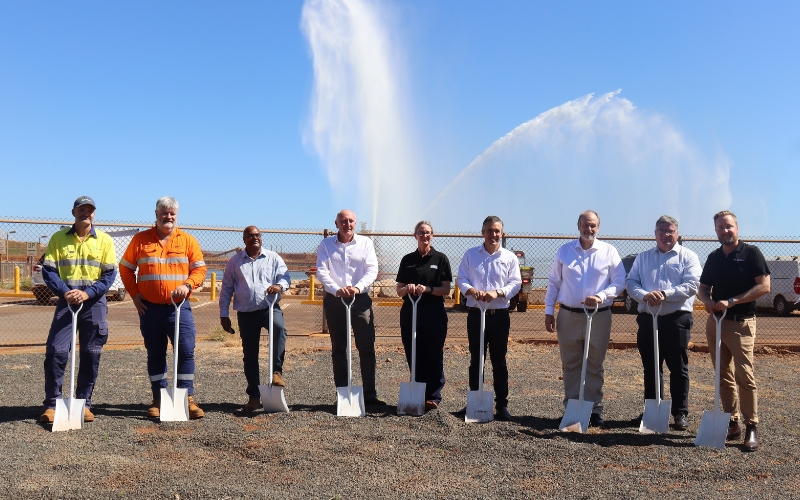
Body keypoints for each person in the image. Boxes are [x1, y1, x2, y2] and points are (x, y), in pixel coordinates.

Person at [119, 196, 207, 419]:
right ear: (156, 215)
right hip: (149, 309)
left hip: (178, 308)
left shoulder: (187, 241)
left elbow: (199, 270)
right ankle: (158, 398)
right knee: (155, 353)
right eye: (164, 213)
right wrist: (135, 295)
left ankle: (187, 398)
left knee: (185, 351)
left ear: (176, 215)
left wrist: (187, 285)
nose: (168, 217)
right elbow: (126, 268)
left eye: (172, 214)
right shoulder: (140, 240)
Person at [39, 196, 117, 424]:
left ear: (94, 213)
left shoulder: (104, 241)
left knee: (91, 354)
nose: (86, 213)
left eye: (90, 210)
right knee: (56, 351)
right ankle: (52, 404)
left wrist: (88, 293)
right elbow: (49, 271)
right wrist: (65, 292)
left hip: (93, 303)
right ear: (73, 212)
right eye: (81, 210)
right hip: (67, 302)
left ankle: (84, 404)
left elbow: (109, 275)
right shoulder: (58, 239)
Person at [544, 210, 625, 428]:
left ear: (598, 227)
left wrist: (601, 296)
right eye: (586, 225)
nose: (589, 229)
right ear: (578, 226)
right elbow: (554, 282)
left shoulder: (609, 251)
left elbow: (619, 282)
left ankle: (594, 409)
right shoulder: (565, 251)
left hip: (599, 316)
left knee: (594, 363)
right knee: (570, 365)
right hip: (568, 316)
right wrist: (548, 311)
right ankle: (572, 408)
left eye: (593, 226)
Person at [698, 210, 770, 451]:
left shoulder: (751, 254)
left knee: (744, 376)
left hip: (740, 323)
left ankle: (752, 427)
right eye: (720, 228)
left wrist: (733, 300)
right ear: (716, 231)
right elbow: (703, 287)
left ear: (737, 228)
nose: (725, 231)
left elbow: (764, 286)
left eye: (728, 227)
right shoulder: (714, 257)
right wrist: (706, 300)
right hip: (716, 322)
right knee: (722, 375)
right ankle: (732, 422)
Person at [626, 215, 702, 431]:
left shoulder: (688, 257)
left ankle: (680, 413)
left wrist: (664, 294)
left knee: (678, 367)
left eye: (670, 231)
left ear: (677, 233)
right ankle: (652, 411)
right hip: (649, 318)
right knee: (651, 367)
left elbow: (692, 285)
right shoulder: (643, 257)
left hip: (676, 319)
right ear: (655, 233)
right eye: (661, 230)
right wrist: (644, 295)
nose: (666, 235)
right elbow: (631, 282)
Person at [315, 209, 383, 406]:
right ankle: (343, 395)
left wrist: (357, 287)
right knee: (339, 348)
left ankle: (370, 396)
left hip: (359, 300)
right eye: (343, 221)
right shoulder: (326, 245)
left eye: (351, 221)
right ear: (336, 223)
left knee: (367, 347)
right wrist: (337, 290)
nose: (348, 224)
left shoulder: (365, 244)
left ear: (355, 223)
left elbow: (372, 269)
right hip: (335, 301)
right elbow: (321, 270)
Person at [456, 216, 521, 421]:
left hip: (499, 316)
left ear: (502, 233)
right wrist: (471, 291)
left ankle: (501, 404)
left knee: (499, 360)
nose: (493, 235)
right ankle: (474, 402)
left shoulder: (509, 257)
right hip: (476, 315)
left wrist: (498, 293)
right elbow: (461, 278)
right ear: (482, 232)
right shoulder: (471, 255)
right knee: (477, 359)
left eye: (497, 231)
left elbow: (515, 283)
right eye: (489, 231)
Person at [219, 226, 291, 411]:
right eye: (250, 236)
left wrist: (279, 285)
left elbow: (286, 278)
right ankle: (253, 395)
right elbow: (226, 288)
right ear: (244, 239)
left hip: (269, 308)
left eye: (257, 235)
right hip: (246, 313)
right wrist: (224, 314)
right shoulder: (234, 262)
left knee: (280, 329)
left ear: (261, 238)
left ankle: (276, 372)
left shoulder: (273, 258)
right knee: (250, 354)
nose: (255, 238)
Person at [396, 221, 453, 411]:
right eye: (421, 233)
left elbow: (446, 289)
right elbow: (399, 290)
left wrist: (428, 289)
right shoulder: (407, 259)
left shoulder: (440, 259)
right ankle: (417, 392)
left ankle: (433, 396)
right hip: (411, 312)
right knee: (413, 352)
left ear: (432, 236)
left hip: (433, 313)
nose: (424, 236)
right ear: (415, 236)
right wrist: (408, 288)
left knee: (434, 353)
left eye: (428, 233)